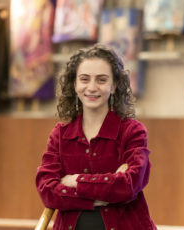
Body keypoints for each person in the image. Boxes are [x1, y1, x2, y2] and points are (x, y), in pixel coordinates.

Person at [36, 44, 157, 230]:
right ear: (75, 84)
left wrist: (76, 181)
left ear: (114, 85)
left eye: (101, 80)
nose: (92, 87)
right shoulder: (59, 134)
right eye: (84, 79)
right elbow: (47, 190)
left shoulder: (133, 131)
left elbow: (129, 186)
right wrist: (99, 196)